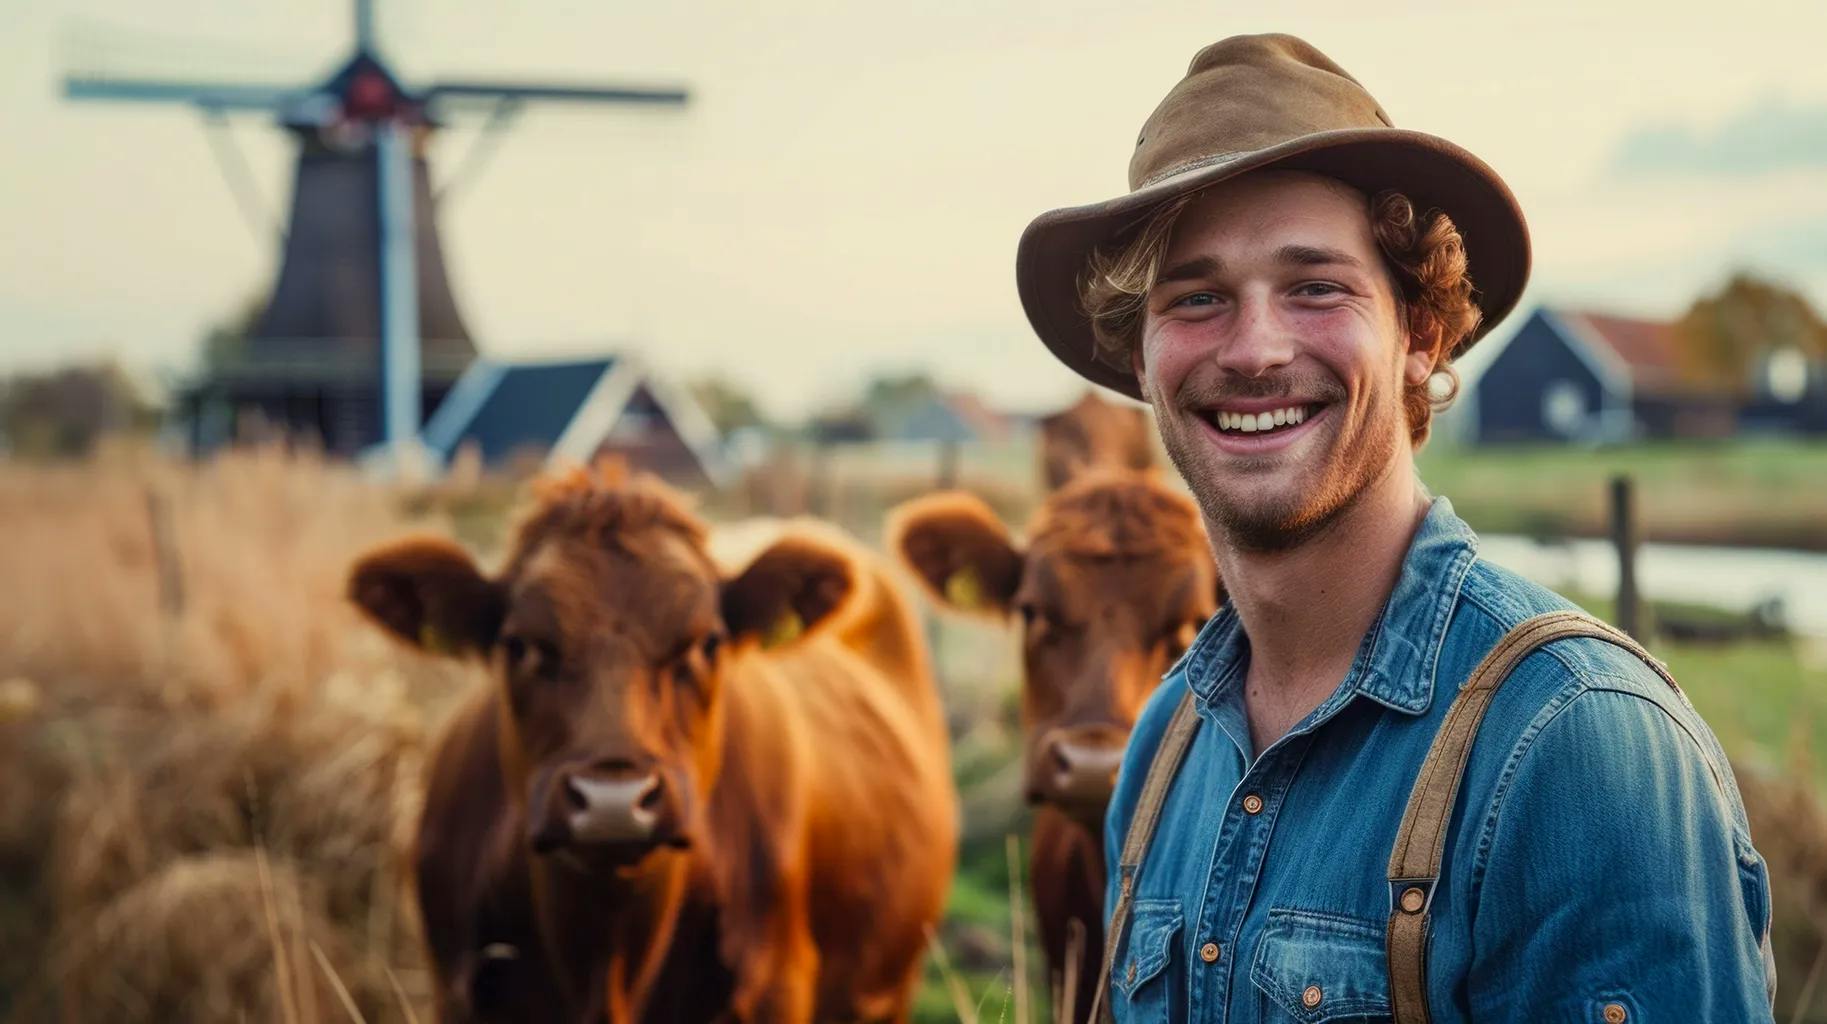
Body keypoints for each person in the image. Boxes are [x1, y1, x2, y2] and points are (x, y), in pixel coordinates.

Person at [1014, 33, 1776, 1022]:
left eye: (1316, 287)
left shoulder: (1577, 743)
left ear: (1418, 334)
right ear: (1144, 358)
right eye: (1196, 297)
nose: (1253, 349)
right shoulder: (1165, 747)